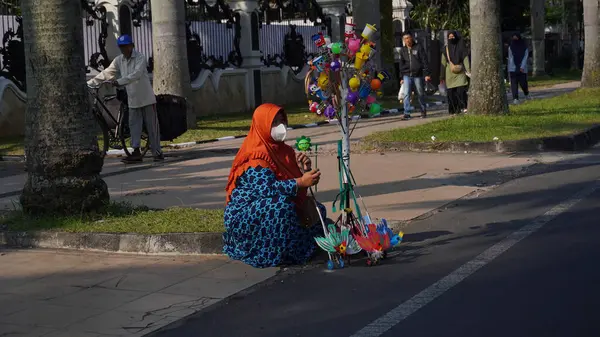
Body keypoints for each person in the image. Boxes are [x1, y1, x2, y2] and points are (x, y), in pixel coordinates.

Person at [223, 103, 325, 268]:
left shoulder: (284, 151)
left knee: (317, 209)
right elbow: (267, 189)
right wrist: (300, 182)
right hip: (246, 214)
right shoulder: (255, 155)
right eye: (274, 122)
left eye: (281, 121)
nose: (280, 126)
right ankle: (271, 253)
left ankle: (297, 247)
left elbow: (294, 184)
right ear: (263, 124)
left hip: (270, 206)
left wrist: (303, 171)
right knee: (281, 207)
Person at [87, 34, 163, 163]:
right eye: (121, 47)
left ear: (131, 46)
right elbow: (107, 73)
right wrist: (91, 83)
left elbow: (136, 75)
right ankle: (136, 151)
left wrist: (119, 81)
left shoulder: (140, 58)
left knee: (152, 127)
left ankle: (157, 152)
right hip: (132, 99)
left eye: (126, 46)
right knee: (134, 126)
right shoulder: (119, 60)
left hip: (146, 99)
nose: (124, 49)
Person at [398, 31, 431, 119]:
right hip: (406, 75)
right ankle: (407, 113)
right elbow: (401, 64)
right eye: (405, 39)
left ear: (411, 38)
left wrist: (427, 74)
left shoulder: (418, 47)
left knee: (420, 93)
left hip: (418, 74)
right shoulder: (403, 50)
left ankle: (423, 111)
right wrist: (401, 77)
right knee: (406, 94)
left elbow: (424, 61)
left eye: (408, 38)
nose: (407, 40)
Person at [440, 31, 471, 115]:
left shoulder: (461, 48)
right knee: (451, 93)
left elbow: (465, 60)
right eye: (449, 37)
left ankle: (463, 107)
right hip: (449, 74)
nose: (451, 38)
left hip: (460, 72)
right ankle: (453, 110)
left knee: (461, 91)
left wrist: (469, 71)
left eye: (452, 36)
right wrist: (441, 77)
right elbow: (443, 62)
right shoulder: (445, 49)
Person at [508, 33, 530, 104]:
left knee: (523, 83)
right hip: (513, 68)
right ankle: (515, 98)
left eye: (516, 38)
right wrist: (512, 67)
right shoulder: (510, 47)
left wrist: (522, 67)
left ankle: (526, 94)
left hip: (522, 69)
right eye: (513, 38)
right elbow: (510, 58)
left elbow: (525, 57)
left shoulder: (524, 47)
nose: (515, 40)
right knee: (514, 84)